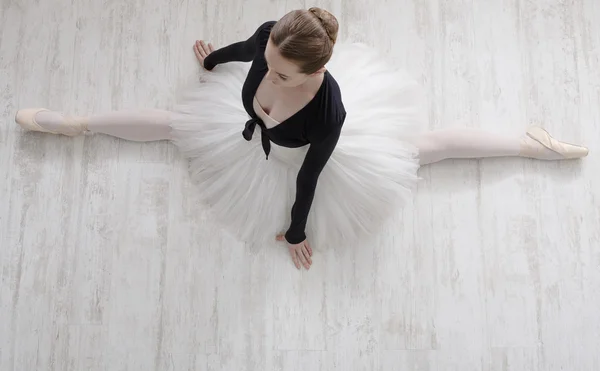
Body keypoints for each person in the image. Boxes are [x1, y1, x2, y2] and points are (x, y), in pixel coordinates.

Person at [14, 8, 589, 270]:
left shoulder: (328, 112)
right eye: (271, 63)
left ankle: (528, 144)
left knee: (426, 148)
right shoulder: (270, 43)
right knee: (172, 124)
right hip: (248, 135)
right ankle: (77, 124)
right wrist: (215, 61)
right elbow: (247, 51)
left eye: (282, 74)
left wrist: (296, 232)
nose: (267, 75)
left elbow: (310, 176)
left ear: (313, 73)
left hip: (298, 156)